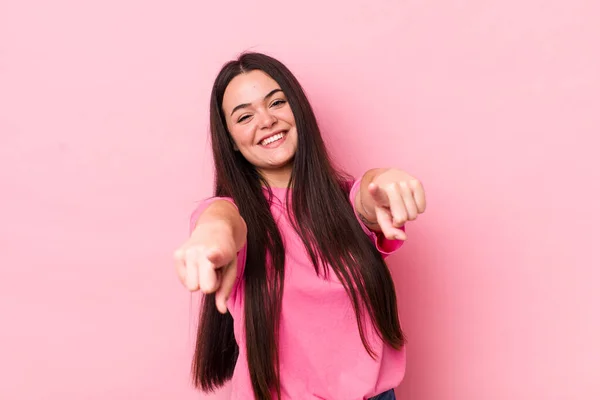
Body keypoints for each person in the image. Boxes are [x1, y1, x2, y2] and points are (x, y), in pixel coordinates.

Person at [173, 52, 426, 400]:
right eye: (245, 116)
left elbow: (368, 196)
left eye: (277, 102)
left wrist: (384, 180)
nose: (266, 121)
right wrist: (210, 236)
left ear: (298, 110)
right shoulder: (234, 214)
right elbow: (220, 223)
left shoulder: (344, 201)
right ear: (231, 139)